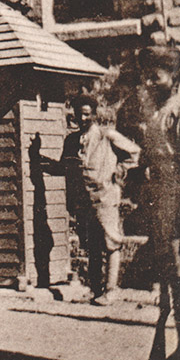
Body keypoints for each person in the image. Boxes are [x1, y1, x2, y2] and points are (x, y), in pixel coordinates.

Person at [40, 94, 140, 305]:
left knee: (111, 243)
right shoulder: (70, 141)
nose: (82, 118)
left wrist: (118, 172)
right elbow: (63, 167)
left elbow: (134, 154)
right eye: (79, 114)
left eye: (86, 114)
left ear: (94, 115)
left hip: (105, 197)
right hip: (84, 201)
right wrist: (40, 162)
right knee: (92, 245)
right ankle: (95, 289)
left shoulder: (107, 136)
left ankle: (111, 290)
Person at [136, 45, 180, 360]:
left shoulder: (179, 111)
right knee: (169, 276)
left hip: (179, 199)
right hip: (161, 200)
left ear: (174, 76)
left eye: (156, 76)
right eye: (147, 76)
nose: (150, 83)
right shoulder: (157, 112)